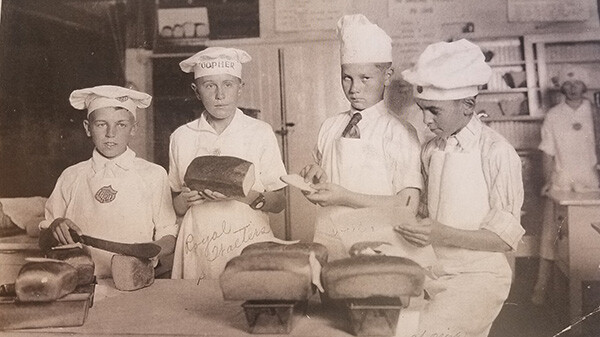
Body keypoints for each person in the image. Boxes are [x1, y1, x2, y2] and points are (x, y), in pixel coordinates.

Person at [396, 39, 525, 337]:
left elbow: (504, 238)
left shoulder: (496, 152)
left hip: (480, 276)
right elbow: (426, 210)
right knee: (397, 329)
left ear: (467, 105)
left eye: (434, 111)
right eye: (422, 109)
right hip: (437, 271)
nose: (426, 120)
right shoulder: (431, 149)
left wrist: (440, 232)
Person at [299, 14, 422, 261]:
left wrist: (345, 197)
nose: (354, 88)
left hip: (380, 251)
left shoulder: (400, 133)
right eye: (347, 77)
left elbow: (408, 206)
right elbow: (324, 182)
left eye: (365, 78)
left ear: (387, 76)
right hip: (329, 244)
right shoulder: (330, 127)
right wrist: (313, 180)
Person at [170, 47, 287, 280]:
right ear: (196, 91)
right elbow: (175, 206)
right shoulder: (181, 136)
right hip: (199, 243)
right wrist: (185, 199)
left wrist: (240, 194)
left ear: (240, 88)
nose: (219, 95)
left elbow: (279, 202)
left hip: (249, 240)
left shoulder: (259, 132)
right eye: (209, 85)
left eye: (228, 85)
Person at [40, 85, 178, 277]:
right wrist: (55, 226)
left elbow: (168, 236)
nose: (110, 133)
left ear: (134, 129)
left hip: (135, 282)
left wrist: (146, 252)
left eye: (121, 124)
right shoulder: (71, 176)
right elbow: (45, 238)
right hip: (80, 281)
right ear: (88, 128)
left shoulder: (153, 174)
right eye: (101, 124)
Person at [531, 65, 599, 305]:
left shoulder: (596, 112)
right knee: (552, 237)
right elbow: (547, 152)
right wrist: (548, 181)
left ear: (584, 86)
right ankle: (541, 285)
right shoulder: (554, 115)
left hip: (593, 185)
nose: (572, 89)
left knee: (593, 238)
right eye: (568, 84)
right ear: (562, 88)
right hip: (562, 182)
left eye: (577, 84)